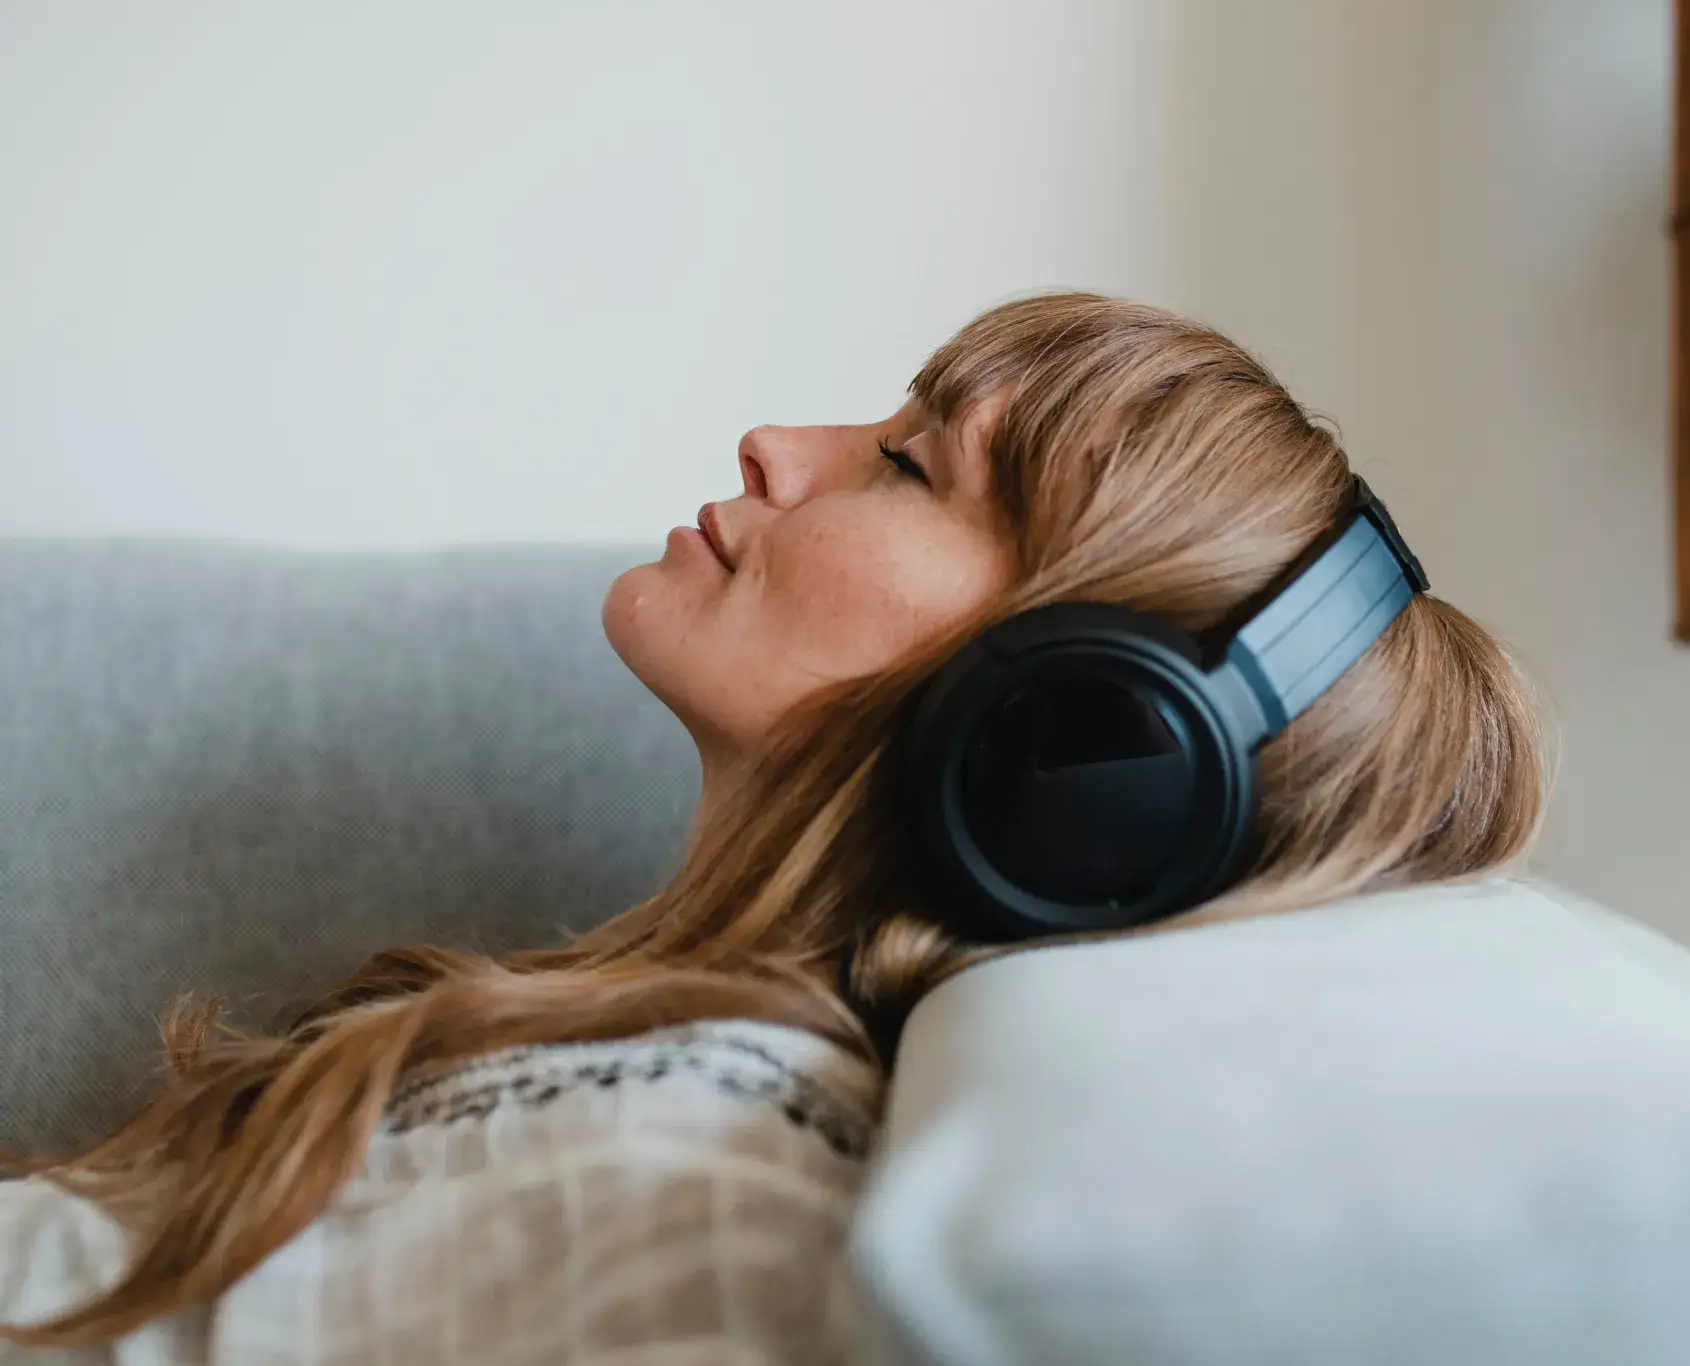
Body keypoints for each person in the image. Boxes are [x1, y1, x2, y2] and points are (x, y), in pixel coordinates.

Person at [0, 292, 1547, 1362]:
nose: (773, 444)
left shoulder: (717, 1191)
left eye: (906, 463)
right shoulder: (636, 1073)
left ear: (1081, 737)